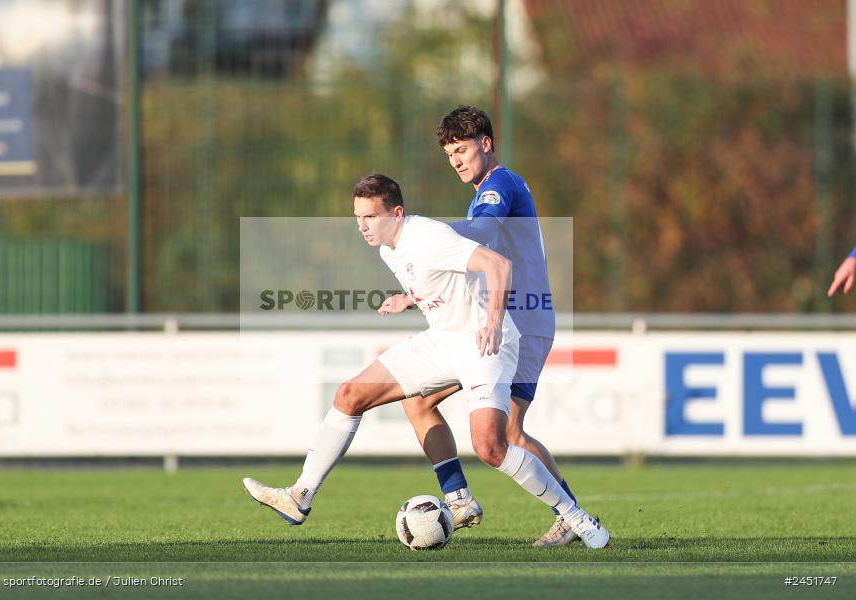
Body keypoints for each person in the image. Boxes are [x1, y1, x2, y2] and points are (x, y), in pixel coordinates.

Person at [242, 173, 609, 549]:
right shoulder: (389, 249)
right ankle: (301, 495)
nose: (362, 226)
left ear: (396, 213)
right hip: (444, 341)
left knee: (492, 447)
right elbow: (442, 281)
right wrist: (408, 299)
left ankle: (576, 517)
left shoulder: (428, 237)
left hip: (482, 342)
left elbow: (498, 266)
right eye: (357, 218)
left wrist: (495, 323)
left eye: (371, 217)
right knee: (351, 395)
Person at [390, 105, 581, 547]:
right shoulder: (484, 189)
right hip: (491, 325)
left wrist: (421, 234)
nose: (455, 160)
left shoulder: (501, 184)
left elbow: (482, 236)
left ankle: (570, 514)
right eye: (449, 153)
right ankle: (458, 499)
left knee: (509, 434)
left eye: (461, 149)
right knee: (417, 401)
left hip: (522, 321)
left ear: (486, 144)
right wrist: (415, 294)